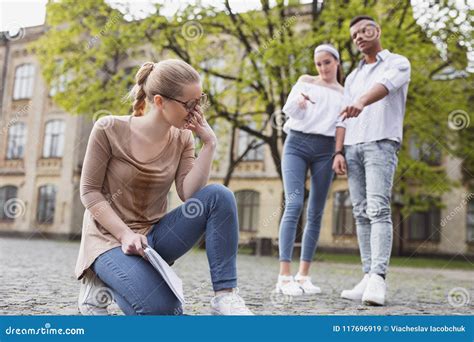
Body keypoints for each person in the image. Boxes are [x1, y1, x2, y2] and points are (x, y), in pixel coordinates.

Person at [75, 59, 253, 315]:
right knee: (165, 312)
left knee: (219, 196)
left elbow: (189, 194)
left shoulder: (183, 137)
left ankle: (224, 296)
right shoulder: (108, 128)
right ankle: (101, 279)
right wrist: (126, 235)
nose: (196, 111)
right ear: (159, 101)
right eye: (189, 104)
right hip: (109, 240)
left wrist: (210, 144)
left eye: (199, 101)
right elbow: (89, 192)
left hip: (153, 239)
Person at [333, 15, 411, 306]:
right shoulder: (352, 77)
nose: (359, 37)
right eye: (354, 35)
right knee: (360, 212)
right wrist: (338, 151)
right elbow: (342, 116)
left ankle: (378, 277)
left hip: (381, 143)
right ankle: (366, 275)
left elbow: (386, 86)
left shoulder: (397, 62)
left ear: (377, 31)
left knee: (378, 209)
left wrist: (362, 101)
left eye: (365, 31)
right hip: (352, 148)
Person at [276, 44, 344, 296]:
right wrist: (299, 103)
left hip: (325, 150)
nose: (323, 68)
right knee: (294, 204)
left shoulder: (344, 93)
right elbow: (289, 111)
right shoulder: (305, 81)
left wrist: (338, 153)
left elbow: (341, 125)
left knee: (316, 210)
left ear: (336, 62)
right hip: (296, 143)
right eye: (319, 63)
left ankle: (303, 275)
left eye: (327, 62)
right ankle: (284, 276)